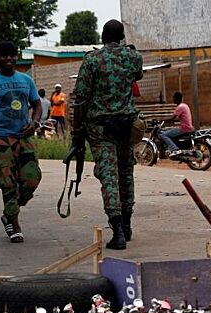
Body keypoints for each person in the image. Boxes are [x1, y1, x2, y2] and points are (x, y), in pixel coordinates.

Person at [73, 19, 143, 250]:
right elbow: (137, 76)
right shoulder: (134, 57)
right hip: (127, 125)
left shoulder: (92, 59)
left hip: (101, 128)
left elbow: (81, 98)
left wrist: (77, 131)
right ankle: (128, 224)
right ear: (123, 37)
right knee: (126, 173)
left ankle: (118, 231)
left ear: (102, 37)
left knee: (109, 177)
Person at [0, 41, 43, 243]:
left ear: (17, 57)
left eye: (12, 55)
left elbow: (37, 105)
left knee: (32, 178)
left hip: (24, 136)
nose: (9, 59)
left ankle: (10, 210)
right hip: (1, 139)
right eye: (4, 56)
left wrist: (34, 123)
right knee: (8, 183)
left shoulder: (26, 80)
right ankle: (14, 225)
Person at [161, 91, 195, 157]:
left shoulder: (180, 107)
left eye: (174, 98)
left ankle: (175, 149)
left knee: (164, 135)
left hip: (184, 128)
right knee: (171, 132)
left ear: (176, 99)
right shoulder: (185, 105)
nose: (173, 99)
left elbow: (172, 118)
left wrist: (161, 120)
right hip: (189, 127)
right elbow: (179, 117)